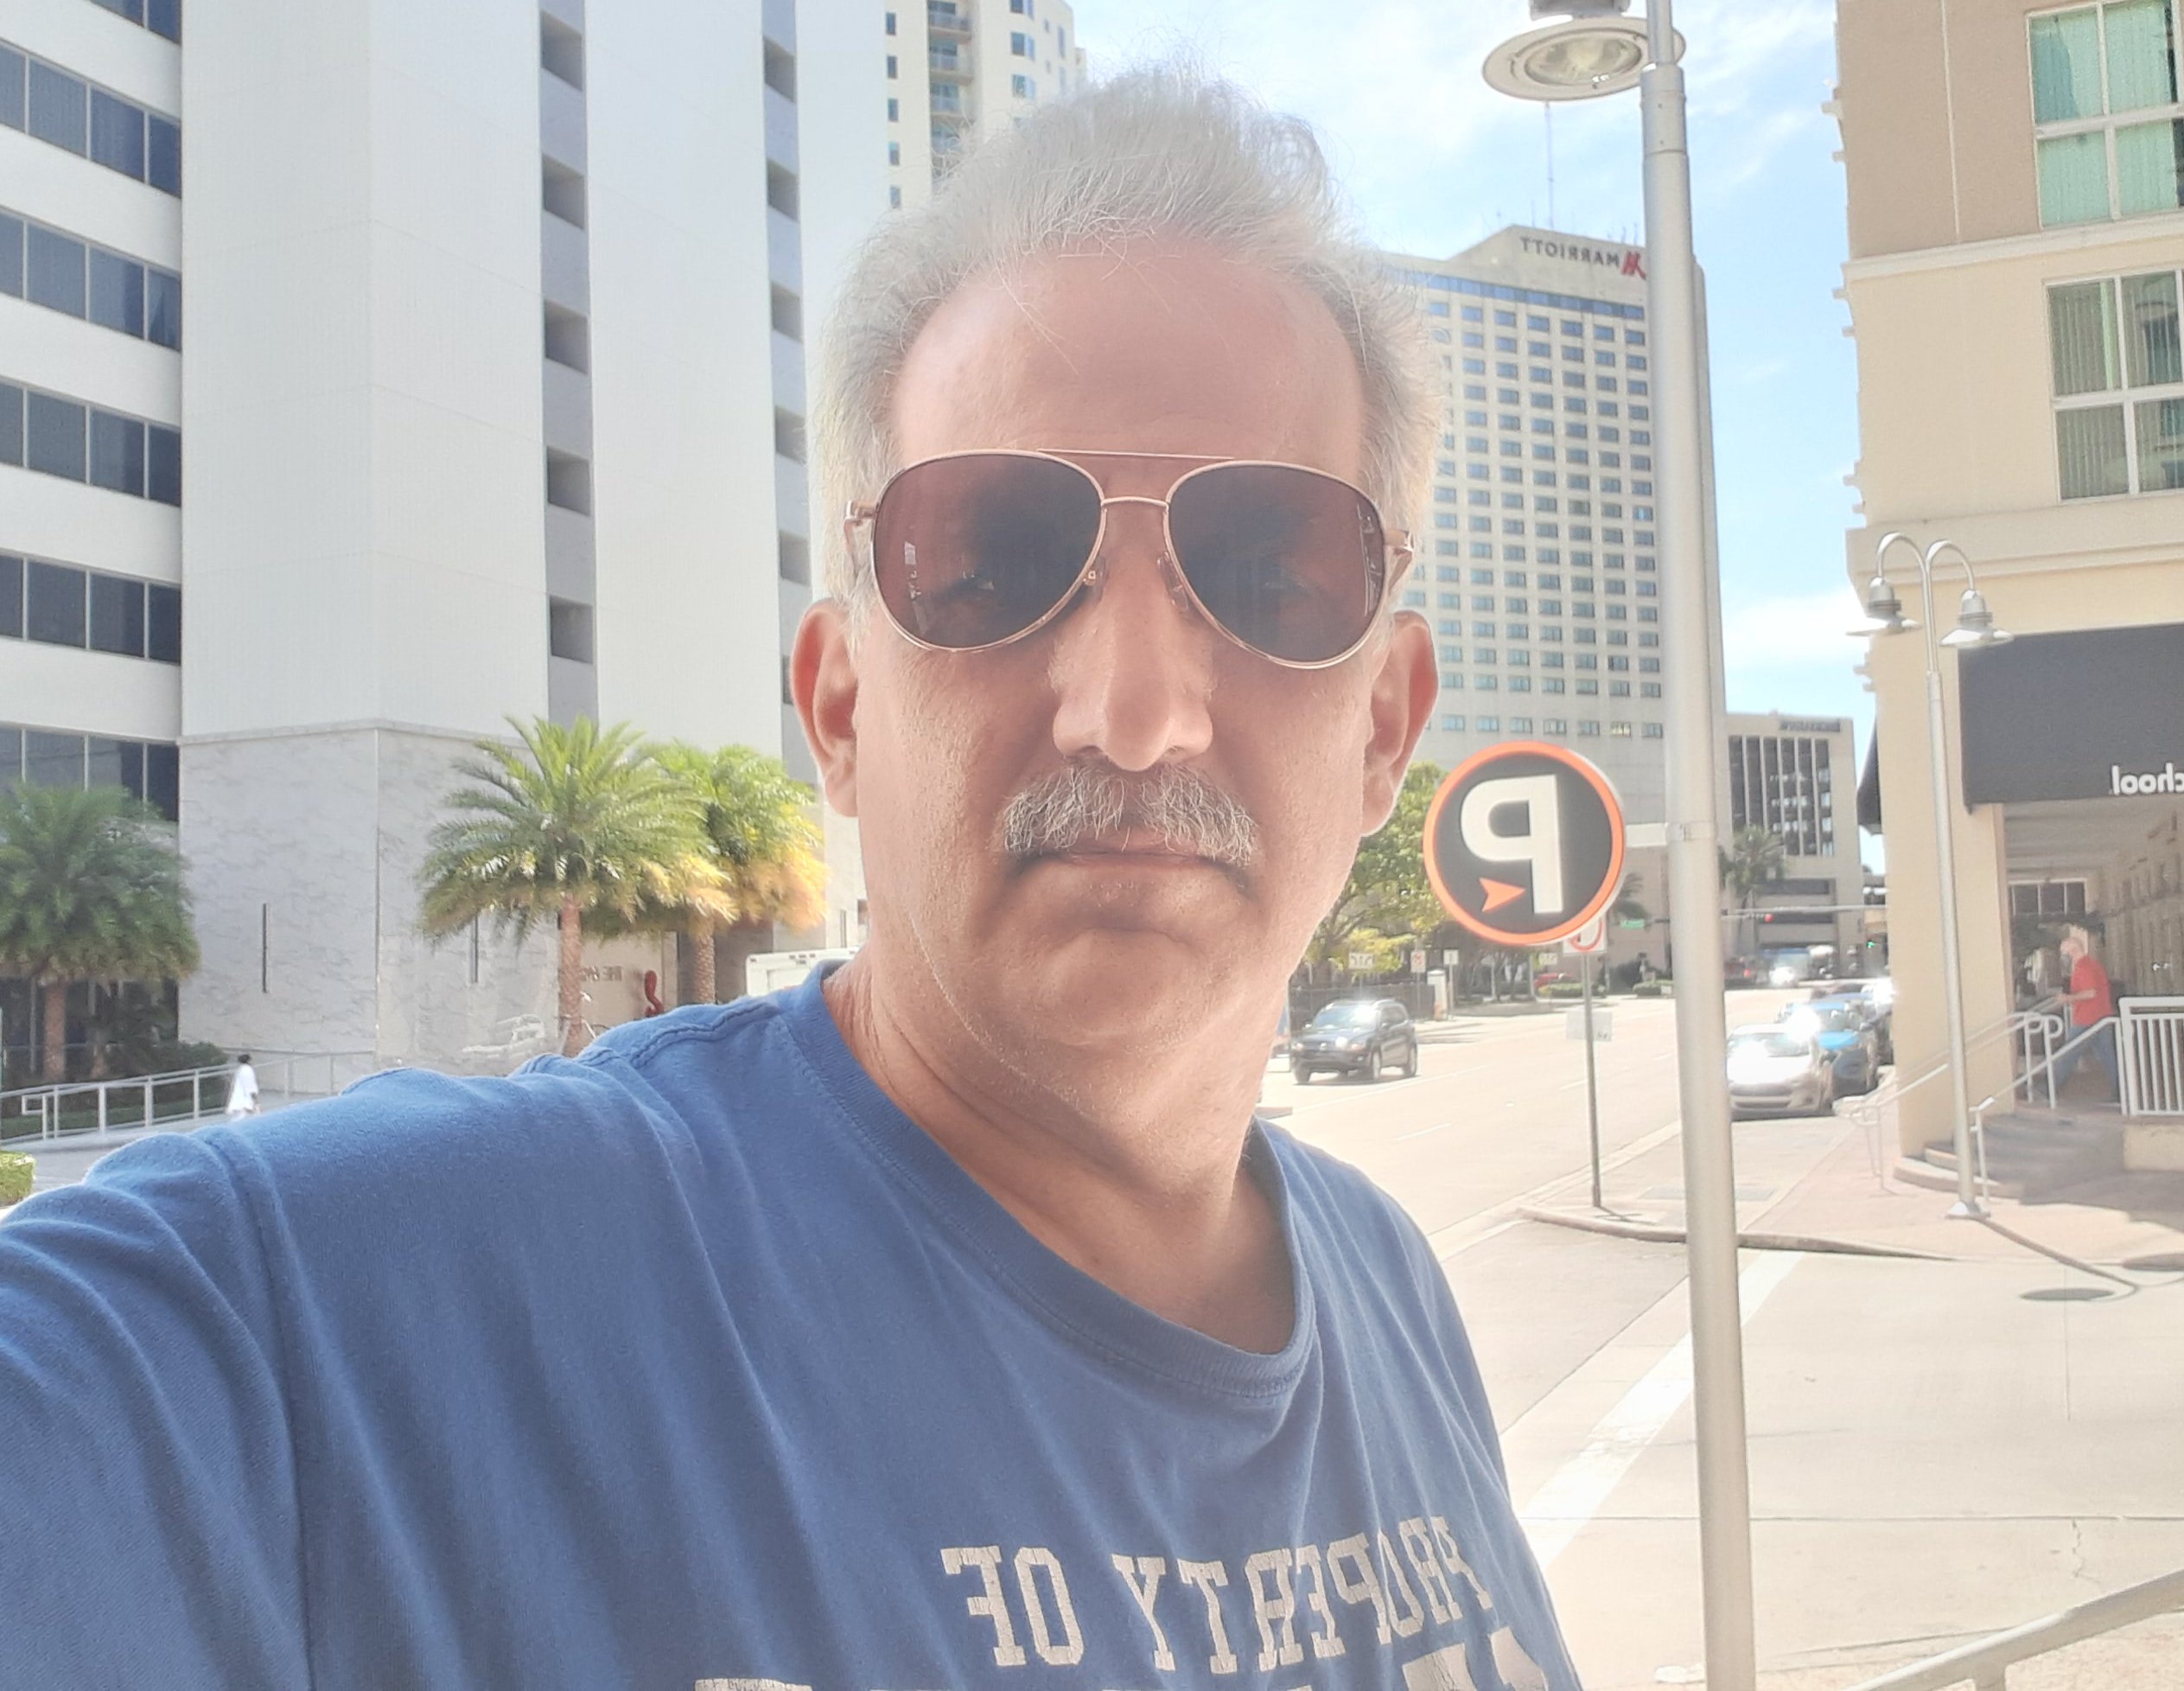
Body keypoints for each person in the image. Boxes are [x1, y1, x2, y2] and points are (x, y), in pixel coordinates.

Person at [0, 72, 1578, 1689]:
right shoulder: (366, 1318)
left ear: (1384, 730)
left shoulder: (1387, 1286)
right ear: (838, 713)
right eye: (988, 564)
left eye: (1265, 571)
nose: (1133, 711)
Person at [2053, 926, 2119, 1101]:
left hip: (2087, 1018)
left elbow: (2090, 993)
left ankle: (2051, 1088)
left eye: (2064, 952)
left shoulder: (2083, 968)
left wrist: (2067, 998)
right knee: (2107, 1055)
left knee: (2069, 1053)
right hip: (2101, 1016)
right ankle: (2120, 1090)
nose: (2063, 957)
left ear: (2073, 950)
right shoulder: (2091, 965)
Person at [222, 1052, 259, 1121]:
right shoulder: (248, 1070)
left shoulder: (240, 1070)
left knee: (237, 1119)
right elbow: (250, 1086)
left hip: (238, 1101)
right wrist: (255, 1101)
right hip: (245, 1102)